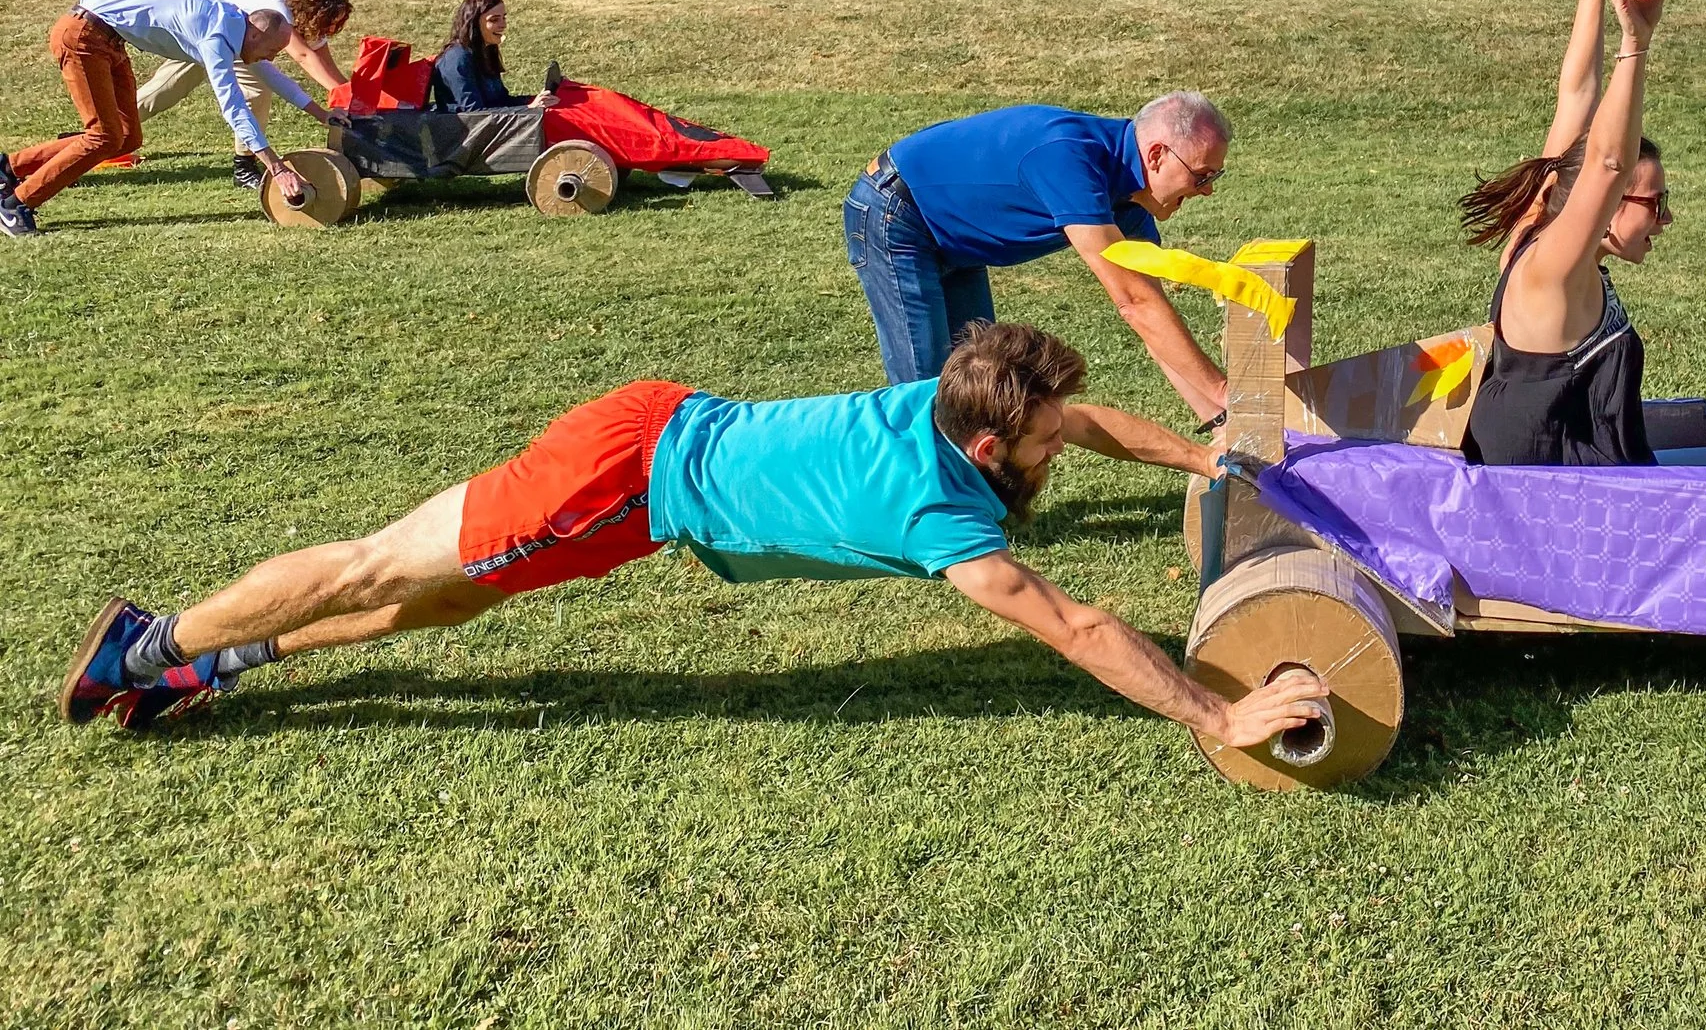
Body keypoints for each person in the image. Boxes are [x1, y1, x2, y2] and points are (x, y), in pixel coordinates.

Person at [57, 322, 1329, 751]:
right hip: (622, 476)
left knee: (450, 603)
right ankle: (147, 640)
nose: (1068, 439)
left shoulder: (951, 400)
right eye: (1045, 434)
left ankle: (218, 662)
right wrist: (1218, 718)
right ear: (991, 442)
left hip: (653, 476)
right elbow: (1078, 622)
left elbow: (1097, 420)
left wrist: (1204, 451)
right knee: (379, 566)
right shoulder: (943, 516)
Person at [848, 93, 1234, 424]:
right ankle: (914, 504)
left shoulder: (1130, 202)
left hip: (955, 241)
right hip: (897, 214)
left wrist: (1219, 418)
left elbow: (1152, 323)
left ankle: (968, 500)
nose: (1208, 191)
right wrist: (1221, 390)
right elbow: (1134, 303)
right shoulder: (1071, 159)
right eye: (1201, 176)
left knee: (975, 382)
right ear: (1156, 156)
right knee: (928, 393)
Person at [1456, 0, 1671, 467]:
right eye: (1656, 203)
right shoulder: (1556, 267)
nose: (1666, 219)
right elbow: (1605, 161)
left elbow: (1576, 97)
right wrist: (1635, 44)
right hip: (1557, 509)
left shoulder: (1540, 214)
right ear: (1605, 203)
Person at [0, 0, 312, 238]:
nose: (270, 58)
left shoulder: (236, 24)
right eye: (271, 51)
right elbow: (233, 107)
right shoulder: (217, 38)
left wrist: (317, 112)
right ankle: (15, 205)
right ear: (256, 34)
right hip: (84, 36)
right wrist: (277, 167)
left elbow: (267, 72)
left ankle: (9, 167)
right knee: (104, 136)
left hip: (107, 39)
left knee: (126, 137)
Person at [133, 0, 353, 186]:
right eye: (331, 21)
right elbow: (303, 56)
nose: (333, 29)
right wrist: (350, 101)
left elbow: (326, 64)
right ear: (315, 11)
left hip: (240, 38)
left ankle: (244, 165)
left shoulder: (297, 19)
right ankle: (111, 132)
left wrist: (351, 99)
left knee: (253, 91)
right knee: (167, 88)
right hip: (205, 28)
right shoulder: (278, 12)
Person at [428, 0, 556, 113]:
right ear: (474, 23)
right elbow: (474, 114)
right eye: (494, 20)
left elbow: (501, 101)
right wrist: (529, 108)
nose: (503, 25)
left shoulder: (486, 50)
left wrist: (536, 99)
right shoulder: (457, 58)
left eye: (503, 18)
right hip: (461, 132)